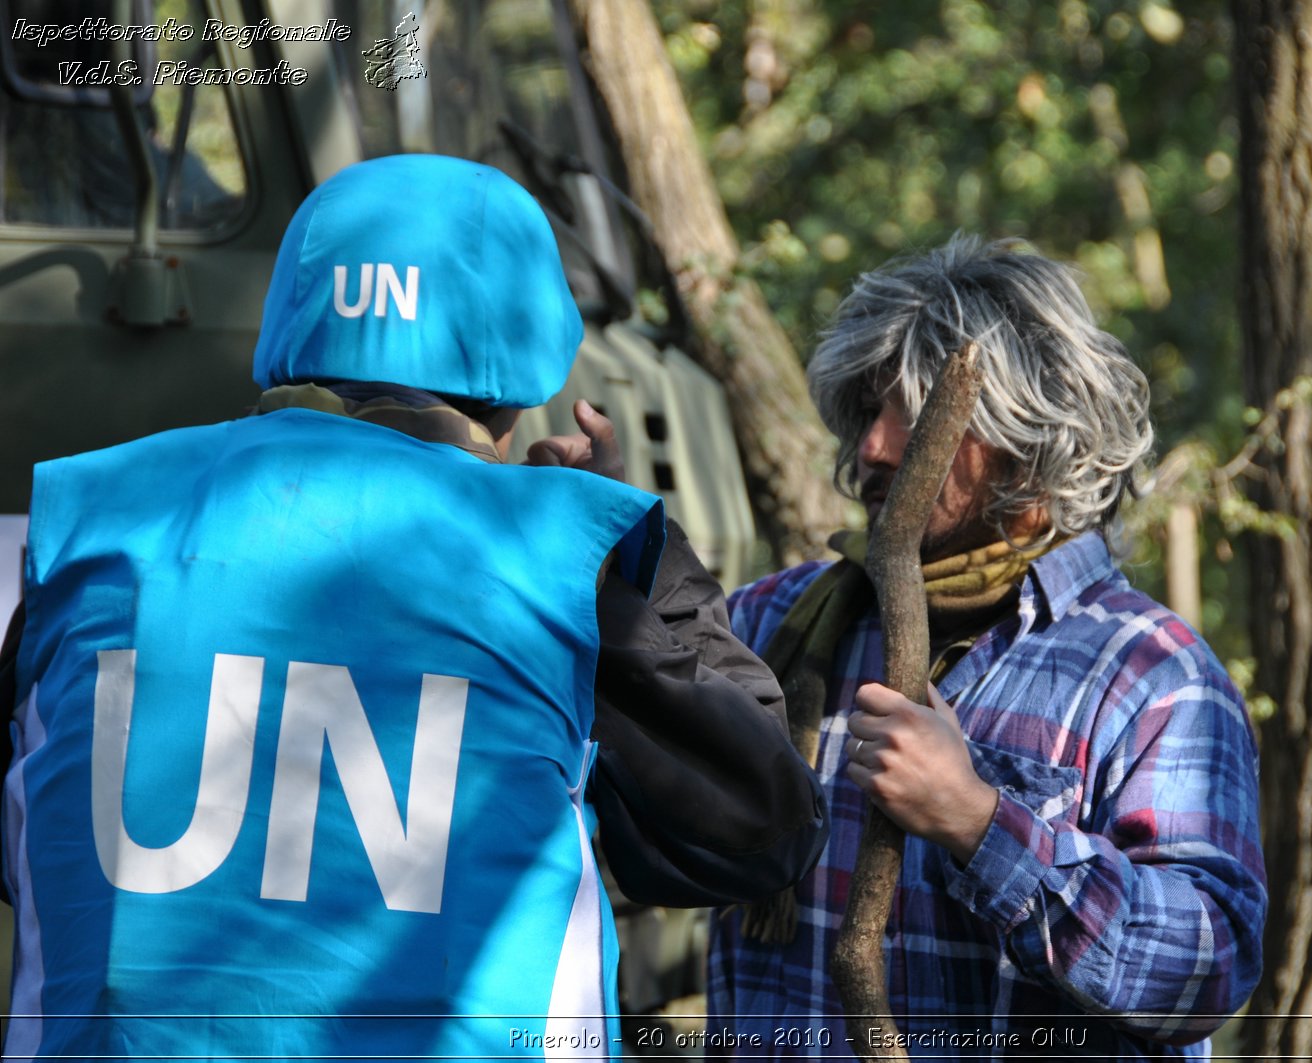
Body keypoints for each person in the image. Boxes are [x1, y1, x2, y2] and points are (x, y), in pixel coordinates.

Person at [0, 154, 822, 1061]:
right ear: (522, 377)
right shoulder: (558, 560)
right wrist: (618, 568)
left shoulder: (95, 516)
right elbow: (762, 830)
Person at [706, 235, 1267, 1058]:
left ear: (1027, 434)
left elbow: (1207, 968)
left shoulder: (1153, 676)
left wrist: (977, 821)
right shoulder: (772, 627)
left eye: (912, 411)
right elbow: (638, 814)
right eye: (866, 410)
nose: (872, 447)